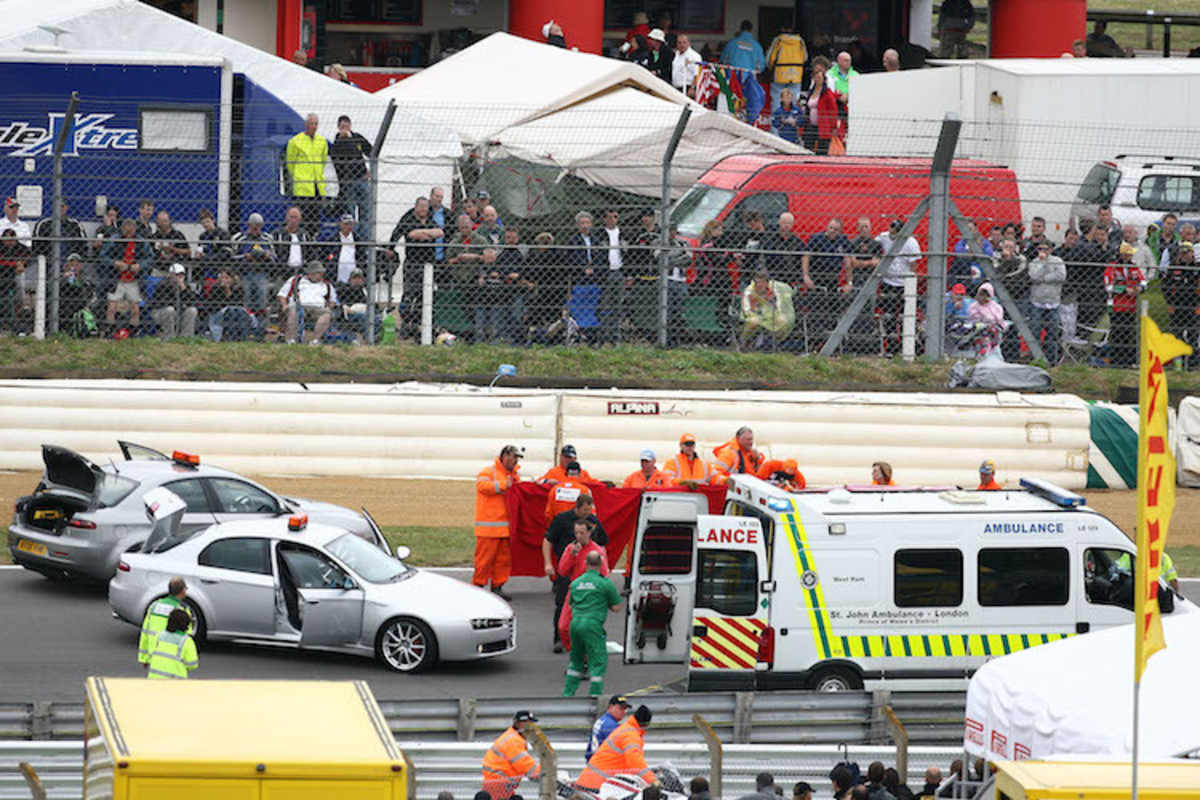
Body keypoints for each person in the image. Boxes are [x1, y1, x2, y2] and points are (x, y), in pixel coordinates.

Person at [544, 494, 608, 652]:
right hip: (569, 573)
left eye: (589, 510)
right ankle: (560, 639)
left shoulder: (594, 523)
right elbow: (548, 540)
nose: (588, 514)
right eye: (585, 511)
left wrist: (604, 569)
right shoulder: (562, 520)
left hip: (590, 576)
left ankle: (587, 648)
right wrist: (548, 563)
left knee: (588, 614)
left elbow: (603, 545)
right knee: (562, 607)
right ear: (577, 507)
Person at [561, 550, 621, 697]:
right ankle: (595, 696)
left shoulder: (575, 583)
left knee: (576, 661)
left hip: (575, 625)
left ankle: (567, 695)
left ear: (585, 564)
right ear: (601, 565)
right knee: (598, 661)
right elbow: (616, 608)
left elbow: (572, 603)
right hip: (592, 625)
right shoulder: (605, 583)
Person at [556, 518, 611, 650]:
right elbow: (562, 571)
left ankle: (584, 658)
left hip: (591, 595)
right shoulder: (571, 548)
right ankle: (577, 653)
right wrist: (572, 555)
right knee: (563, 627)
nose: (579, 536)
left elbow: (604, 575)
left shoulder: (597, 551)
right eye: (576, 533)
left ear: (589, 533)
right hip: (575, 593)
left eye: (582, 533)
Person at [475, 444, 522, 599]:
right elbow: (481, 486)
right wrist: (503, 485)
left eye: (517, 458)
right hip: (488, 528)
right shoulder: (489, 471)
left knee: (503, 561)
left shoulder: (514, 475)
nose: (515, 461)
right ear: (505, 456)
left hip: (504, 528)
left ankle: (497, 587)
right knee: (484, 561)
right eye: (514, 457)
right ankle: (478, 588)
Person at [577, 705, 657, 789]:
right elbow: (635, 761)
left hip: (591, 781)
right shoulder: (631, 736)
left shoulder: (626, 728)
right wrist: (653, 780)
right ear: (646, 724)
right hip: (597, 785)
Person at [102, 217, 152, 332]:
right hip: (117, 278)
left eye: (131, 228)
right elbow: (103, 257)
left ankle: (133, 331)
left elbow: (150, 258)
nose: (129, 231)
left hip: (133, 279)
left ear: (135, 229)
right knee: (112, 308)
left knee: (135, 309)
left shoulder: (141, 242)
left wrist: (140, 265)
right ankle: (110, 330)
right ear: (122, 229)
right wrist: (115, 263)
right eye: (126, 228)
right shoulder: (115, 240)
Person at [480, 710, 541, 800]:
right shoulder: (513, 741)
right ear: (521, 724)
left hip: (498, 784)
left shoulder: (513, 737)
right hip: (499, 785)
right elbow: (526, 766)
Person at [286, 113, 329, 235]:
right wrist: (299, 176)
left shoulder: (322, 141)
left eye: (316, 124)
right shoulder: (295, 141)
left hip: (317, 186)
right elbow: (290, 163)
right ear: (306, 125)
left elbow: (323, 160)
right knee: (303, 218)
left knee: (315, 219)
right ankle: (303, 239)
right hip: (303, 187)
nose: (314, 126)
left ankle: (313, 239)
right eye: (311, 123)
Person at [1104, 242, 1146, 367]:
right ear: (1120, 254)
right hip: (1116, 306)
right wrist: (1124, 290)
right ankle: (1116, 362)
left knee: (1128, 334)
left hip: (1131, 307)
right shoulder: (1112, 267)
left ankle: (1127, 362)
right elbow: (1108, 286)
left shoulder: (1134, 267)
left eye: (1130, 255)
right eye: (1126, 255)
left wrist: (1138, 289)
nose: (1129, 257)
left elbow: (1144, 282)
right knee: (1117, 333)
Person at [330, 114, 372, 239]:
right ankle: (355, 237)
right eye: (342, 126)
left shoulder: (357, 138)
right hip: (348, 183)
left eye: (346, 126)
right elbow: (338, 158)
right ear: (338, 127)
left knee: (365, 211)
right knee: (351, 213)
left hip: (362, 178)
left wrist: (369, 169)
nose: (345, 129)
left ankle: (365, 239)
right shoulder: (337, 142)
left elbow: (371, 151)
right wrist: (346, 139)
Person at [1027, 241, 1067, 365]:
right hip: (1037, 302)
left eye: (1045, 249)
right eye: (1040, 248)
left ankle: (1051, 361)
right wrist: (1044, 265)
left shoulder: (1058, 261)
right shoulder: (1034, 262)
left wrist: (1045, 278)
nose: (1042, 251)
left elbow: (1061, 275)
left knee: (1052, 333)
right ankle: (1036, 358)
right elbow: (1034, 277)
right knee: (1035, 332)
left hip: (1053, 302)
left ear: (1050, 249)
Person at [278, 261, 336, 344]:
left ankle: (315, 341)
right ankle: (292, 340)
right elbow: (282, 294)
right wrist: (284, 305)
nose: (321, 275)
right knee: (293, 311)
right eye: (318, 273)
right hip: (299, 306)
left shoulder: (326, 284)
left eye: (321, 273)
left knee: (327, 314)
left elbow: (333, 300)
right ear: (310, 273)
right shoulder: (296, 279)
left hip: (318, 308)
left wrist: (329, 307)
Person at [231, 212, 278, 316]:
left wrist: (267, 255)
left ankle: (261, 323)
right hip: (244, 273)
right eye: (254, 226)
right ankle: (247, 321)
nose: (256, 229)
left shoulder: (266, 239)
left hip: (262, 273)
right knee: (246, 294)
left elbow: (275, 258)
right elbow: (232, 258)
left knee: (262, 292)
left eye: (258, 226)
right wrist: (245, 256)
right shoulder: (240, 239)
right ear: (248, 225)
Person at [138, 576, 189, 666]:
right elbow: (186, 637)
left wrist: (144, 657)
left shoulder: (154, 606)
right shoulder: (181, 611)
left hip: (153, 655)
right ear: (183, 591)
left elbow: (145, 632)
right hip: (171, 657)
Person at [741, 268, 795, 348]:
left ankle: (773, 342)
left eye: (762, 282)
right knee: (754, 321)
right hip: (755, 316)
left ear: (767, 282)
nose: (759, 285)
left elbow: (780, 306)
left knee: (783, 321)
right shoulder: (749, 291)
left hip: (771, 315)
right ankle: (745, 341)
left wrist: (772, 301)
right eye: (757, 283)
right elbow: (747, 310)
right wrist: (754, 308)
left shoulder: (774, 289)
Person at [145, 608, 198, 679]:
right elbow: (192, 664)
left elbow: (152, 653)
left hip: (153, 677)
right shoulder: (186, 641)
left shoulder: (159, 635)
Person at [149, 264, 199, 338]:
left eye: (182, 275)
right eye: (177, 275)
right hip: (160, 312)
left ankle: (185, 337)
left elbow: (192, 302)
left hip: (178, 312)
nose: (180, 277)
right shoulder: (163, 285)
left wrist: (183, 289)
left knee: (192, 310)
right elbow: (165, 304)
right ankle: (169, 336)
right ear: (171, 275)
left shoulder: (185, 286)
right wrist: (174, 289)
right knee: (170, 310)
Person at [765, 24, 807, 111]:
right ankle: (793, 120)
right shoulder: (800, 41)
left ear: (782, 29)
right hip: (796, 74)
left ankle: (776, 121)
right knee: (794, 99)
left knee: (777, 98)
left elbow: (770, 58)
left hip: (780, 73)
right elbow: (805, 58)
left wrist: (770, 68)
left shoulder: (778, 40)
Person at [322, 213, 367, 284]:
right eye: (346, 224)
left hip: (354, 280)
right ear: (341, 224)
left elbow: (362, 258)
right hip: (336, 279)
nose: (349, 226)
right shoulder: (332, 240)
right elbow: (327, 257)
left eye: (351, 224)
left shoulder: (358, 240)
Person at [544, 461, 591, 526]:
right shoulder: (584, 490)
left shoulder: (555, 489)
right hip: (576, 529)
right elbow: (589, 512)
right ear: (579, 474)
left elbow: (548, 513)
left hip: (558, 527)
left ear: (566, 473)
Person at [586, 695, 631, 761]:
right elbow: (618, 751)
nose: (623, 712)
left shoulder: (602, 720)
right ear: (610, 707)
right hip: (602, 764)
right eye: (621, 708)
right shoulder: (610, 726)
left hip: (595, 761)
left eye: (625, 709)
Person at [273, 205, 312, 279]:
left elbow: (310, 252)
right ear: (286, 218)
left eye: (296, 217)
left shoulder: (304, 235)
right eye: (291, 217)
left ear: (300, 219)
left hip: (301, 272)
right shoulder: (278, 234)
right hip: (283, 273)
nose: (293, 220)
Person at [149, 210, 190, 277]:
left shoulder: (178, 235)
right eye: (160, 221)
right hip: (158, 268)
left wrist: (173, 249)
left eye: (165, 221)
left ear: (170, 221)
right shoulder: (154, 237)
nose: (163, 223)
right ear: (157, 222)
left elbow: (188, 251)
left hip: (175, 267)